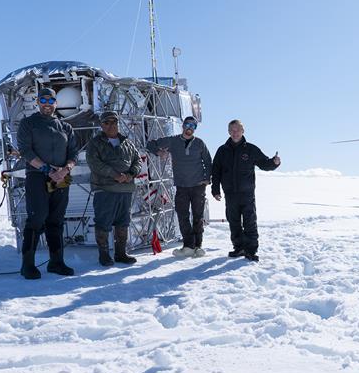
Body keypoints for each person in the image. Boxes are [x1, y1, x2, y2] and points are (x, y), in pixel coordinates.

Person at [16, 87, 79, 279]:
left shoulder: (66, 127)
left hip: (60, 178)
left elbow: (73, 153)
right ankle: (27, 265)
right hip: (37, 176)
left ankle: (56, 262)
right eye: (44, 101)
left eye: (51, 101)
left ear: (56, 104)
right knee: (37, 218)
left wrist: (65, 170)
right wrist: (47, 170)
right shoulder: (29, 123)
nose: (47, 105)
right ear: (38, 102)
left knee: (56, 220)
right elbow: (26, 151)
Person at [211, 119, 281, 261]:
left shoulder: (250, 149)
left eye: (237, 130)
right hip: (230, 194)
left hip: (247, 194)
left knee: (249, 221)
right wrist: (215, 189)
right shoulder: (222, 150)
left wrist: (274, 163)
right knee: (234, 221)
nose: (235, 133)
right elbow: (216, 171)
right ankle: (239, 248)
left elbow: (264, 164)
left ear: (243, 131)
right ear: (228, 132)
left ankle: (251, 250)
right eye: (232, 130)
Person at [146, 116, 212, 258]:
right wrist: (159, 152)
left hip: (198, 185)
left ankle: (198, 247)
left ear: (195, 128)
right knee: (182, 215)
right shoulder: (173, 141)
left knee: (198, 216)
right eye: (187, 124)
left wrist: (207, 179)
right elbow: (150, 144)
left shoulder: (199, 143)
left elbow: (208, 160)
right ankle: (188, 246)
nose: (189, 128)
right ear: (183, 125)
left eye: (193, 126)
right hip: (182, 186)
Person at [86, 111, 141, 266]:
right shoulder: (95, 143)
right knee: (103, 223)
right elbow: (94, 163)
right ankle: (103, 255)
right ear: (101, 125)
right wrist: (115, 175)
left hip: (125, 190)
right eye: (107, 122)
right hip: (105, 189)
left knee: (123, 223)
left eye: (114, 122)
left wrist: (130, 175)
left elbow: (137, 161)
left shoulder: (127, 143)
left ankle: (121, 253)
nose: (111, 125)